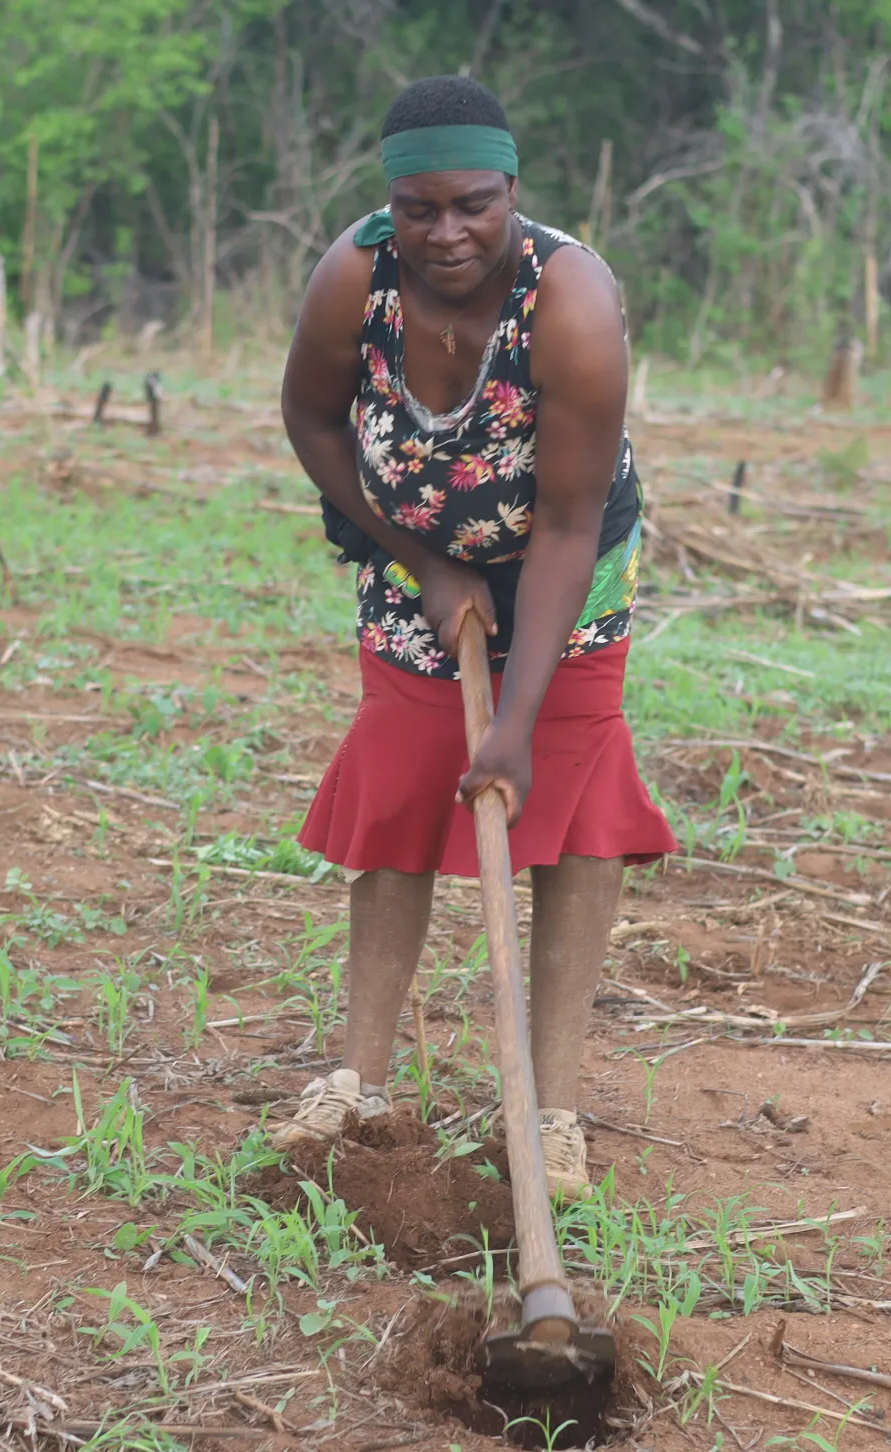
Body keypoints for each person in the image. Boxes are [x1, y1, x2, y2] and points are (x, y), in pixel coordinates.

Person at [273, 74, 676, 1198]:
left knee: (571, 800)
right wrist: (425, 563)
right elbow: (310, 416)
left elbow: (563, 524)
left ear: (513, 192)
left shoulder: (572, 304)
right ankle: (353, 1084)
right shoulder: (356, 276)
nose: (447, 233)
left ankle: (547, 1112)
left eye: (475, 205)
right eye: (421, 210)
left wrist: (515, 720)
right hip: (414, 542)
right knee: (404, 775)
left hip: (567, 566)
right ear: (389, 205)